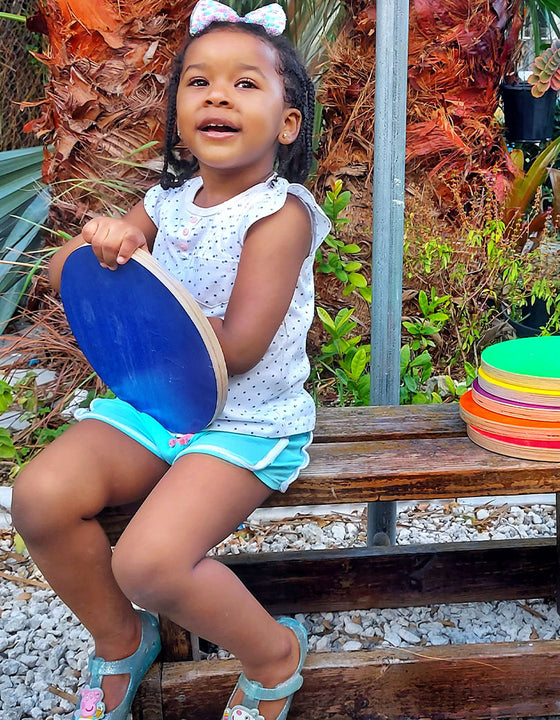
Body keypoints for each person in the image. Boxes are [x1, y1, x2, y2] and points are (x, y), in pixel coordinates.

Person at [11, 2, 330, 719]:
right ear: (179, 114)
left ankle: (273, 654)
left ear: (287, 124)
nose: (218, 96)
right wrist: (99, 244)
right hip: (158, 408)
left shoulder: (280, 216)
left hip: (244, 423)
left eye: (245, 83)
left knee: (148, 563)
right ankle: (121, 638)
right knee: (40, 497)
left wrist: (149, 304)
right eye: (199, 82)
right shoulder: (164, 204)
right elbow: (65, 277)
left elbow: (240, 346)